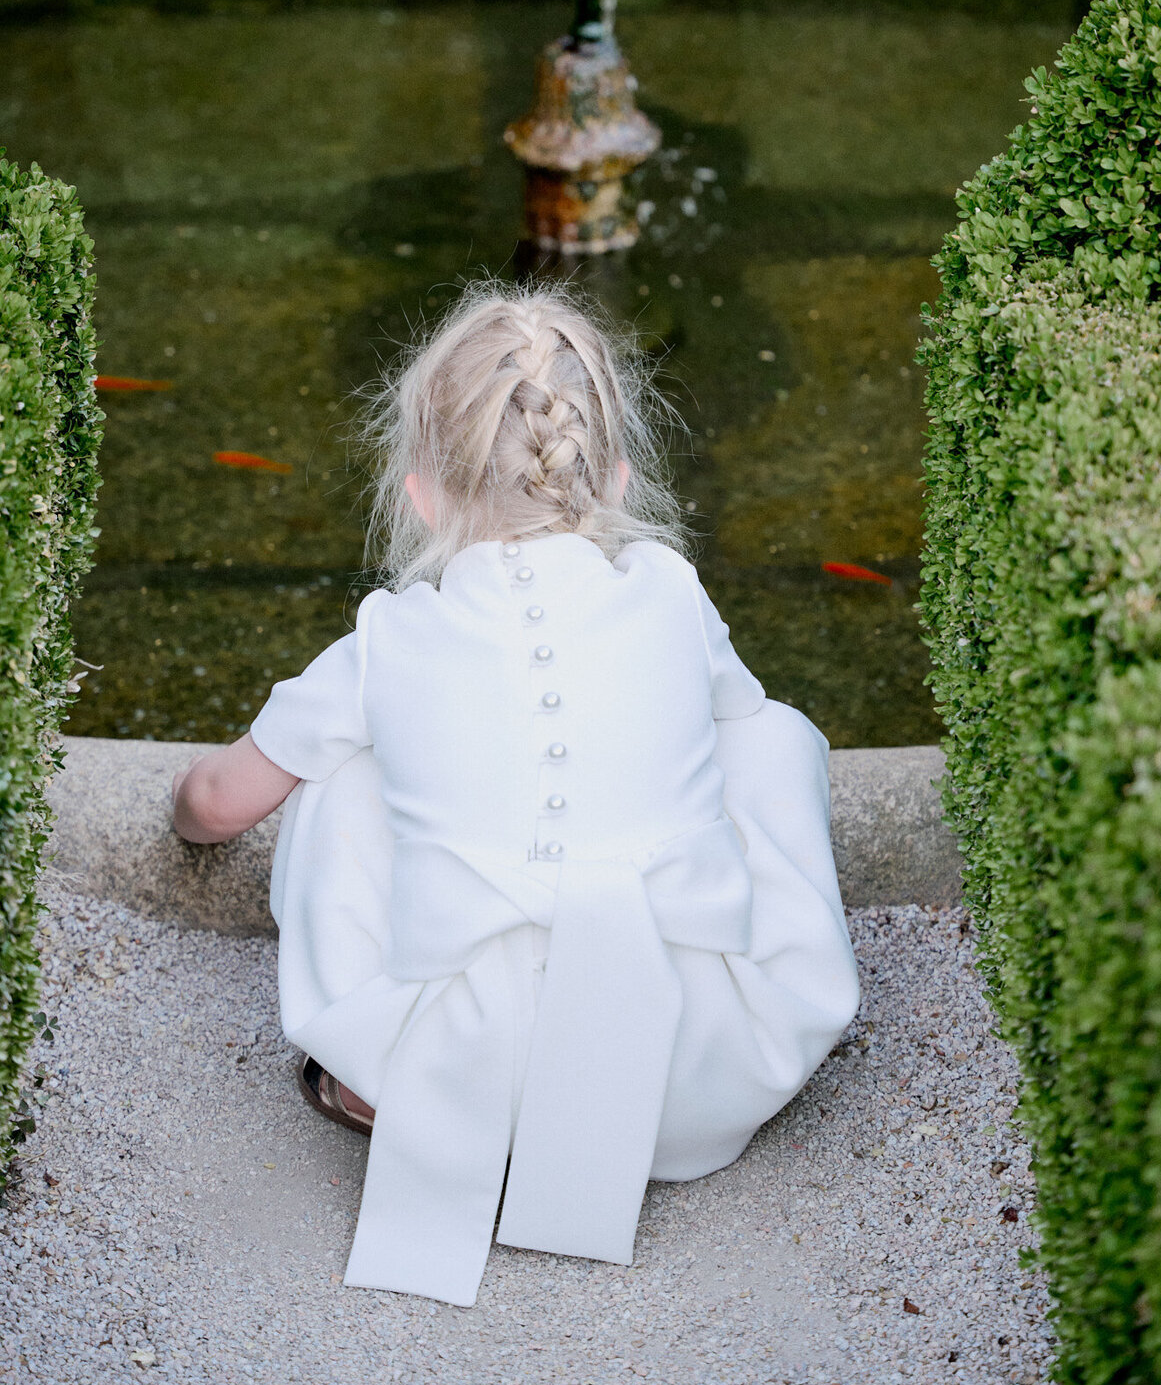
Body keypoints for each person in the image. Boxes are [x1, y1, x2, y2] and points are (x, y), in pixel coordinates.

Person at [172, 281, 859, 1308]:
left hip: (450, 1077)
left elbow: (221, 803)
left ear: (420, 494)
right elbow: (735, 718)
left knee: (339, 774)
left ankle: (367, 1080)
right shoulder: (672, 589)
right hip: (692, 1075)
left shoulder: (386, 640)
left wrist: (179, 809)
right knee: (768, 739)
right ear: (617, 473)